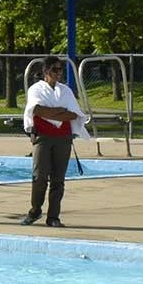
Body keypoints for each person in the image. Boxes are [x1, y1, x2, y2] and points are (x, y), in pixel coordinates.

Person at [20, 58, 86, 228]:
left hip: (63, 138)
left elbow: (73, 114)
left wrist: (51, 113)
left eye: (60, 69)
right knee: (39, 176)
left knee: (58, 179)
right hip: (43, 137)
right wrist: (60, 112)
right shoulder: (36, 89)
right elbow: (36, 110)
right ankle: (35, 210)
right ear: (46, 71)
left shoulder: (65, 91)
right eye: (55, 69)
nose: (59, 73)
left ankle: (53, 216)